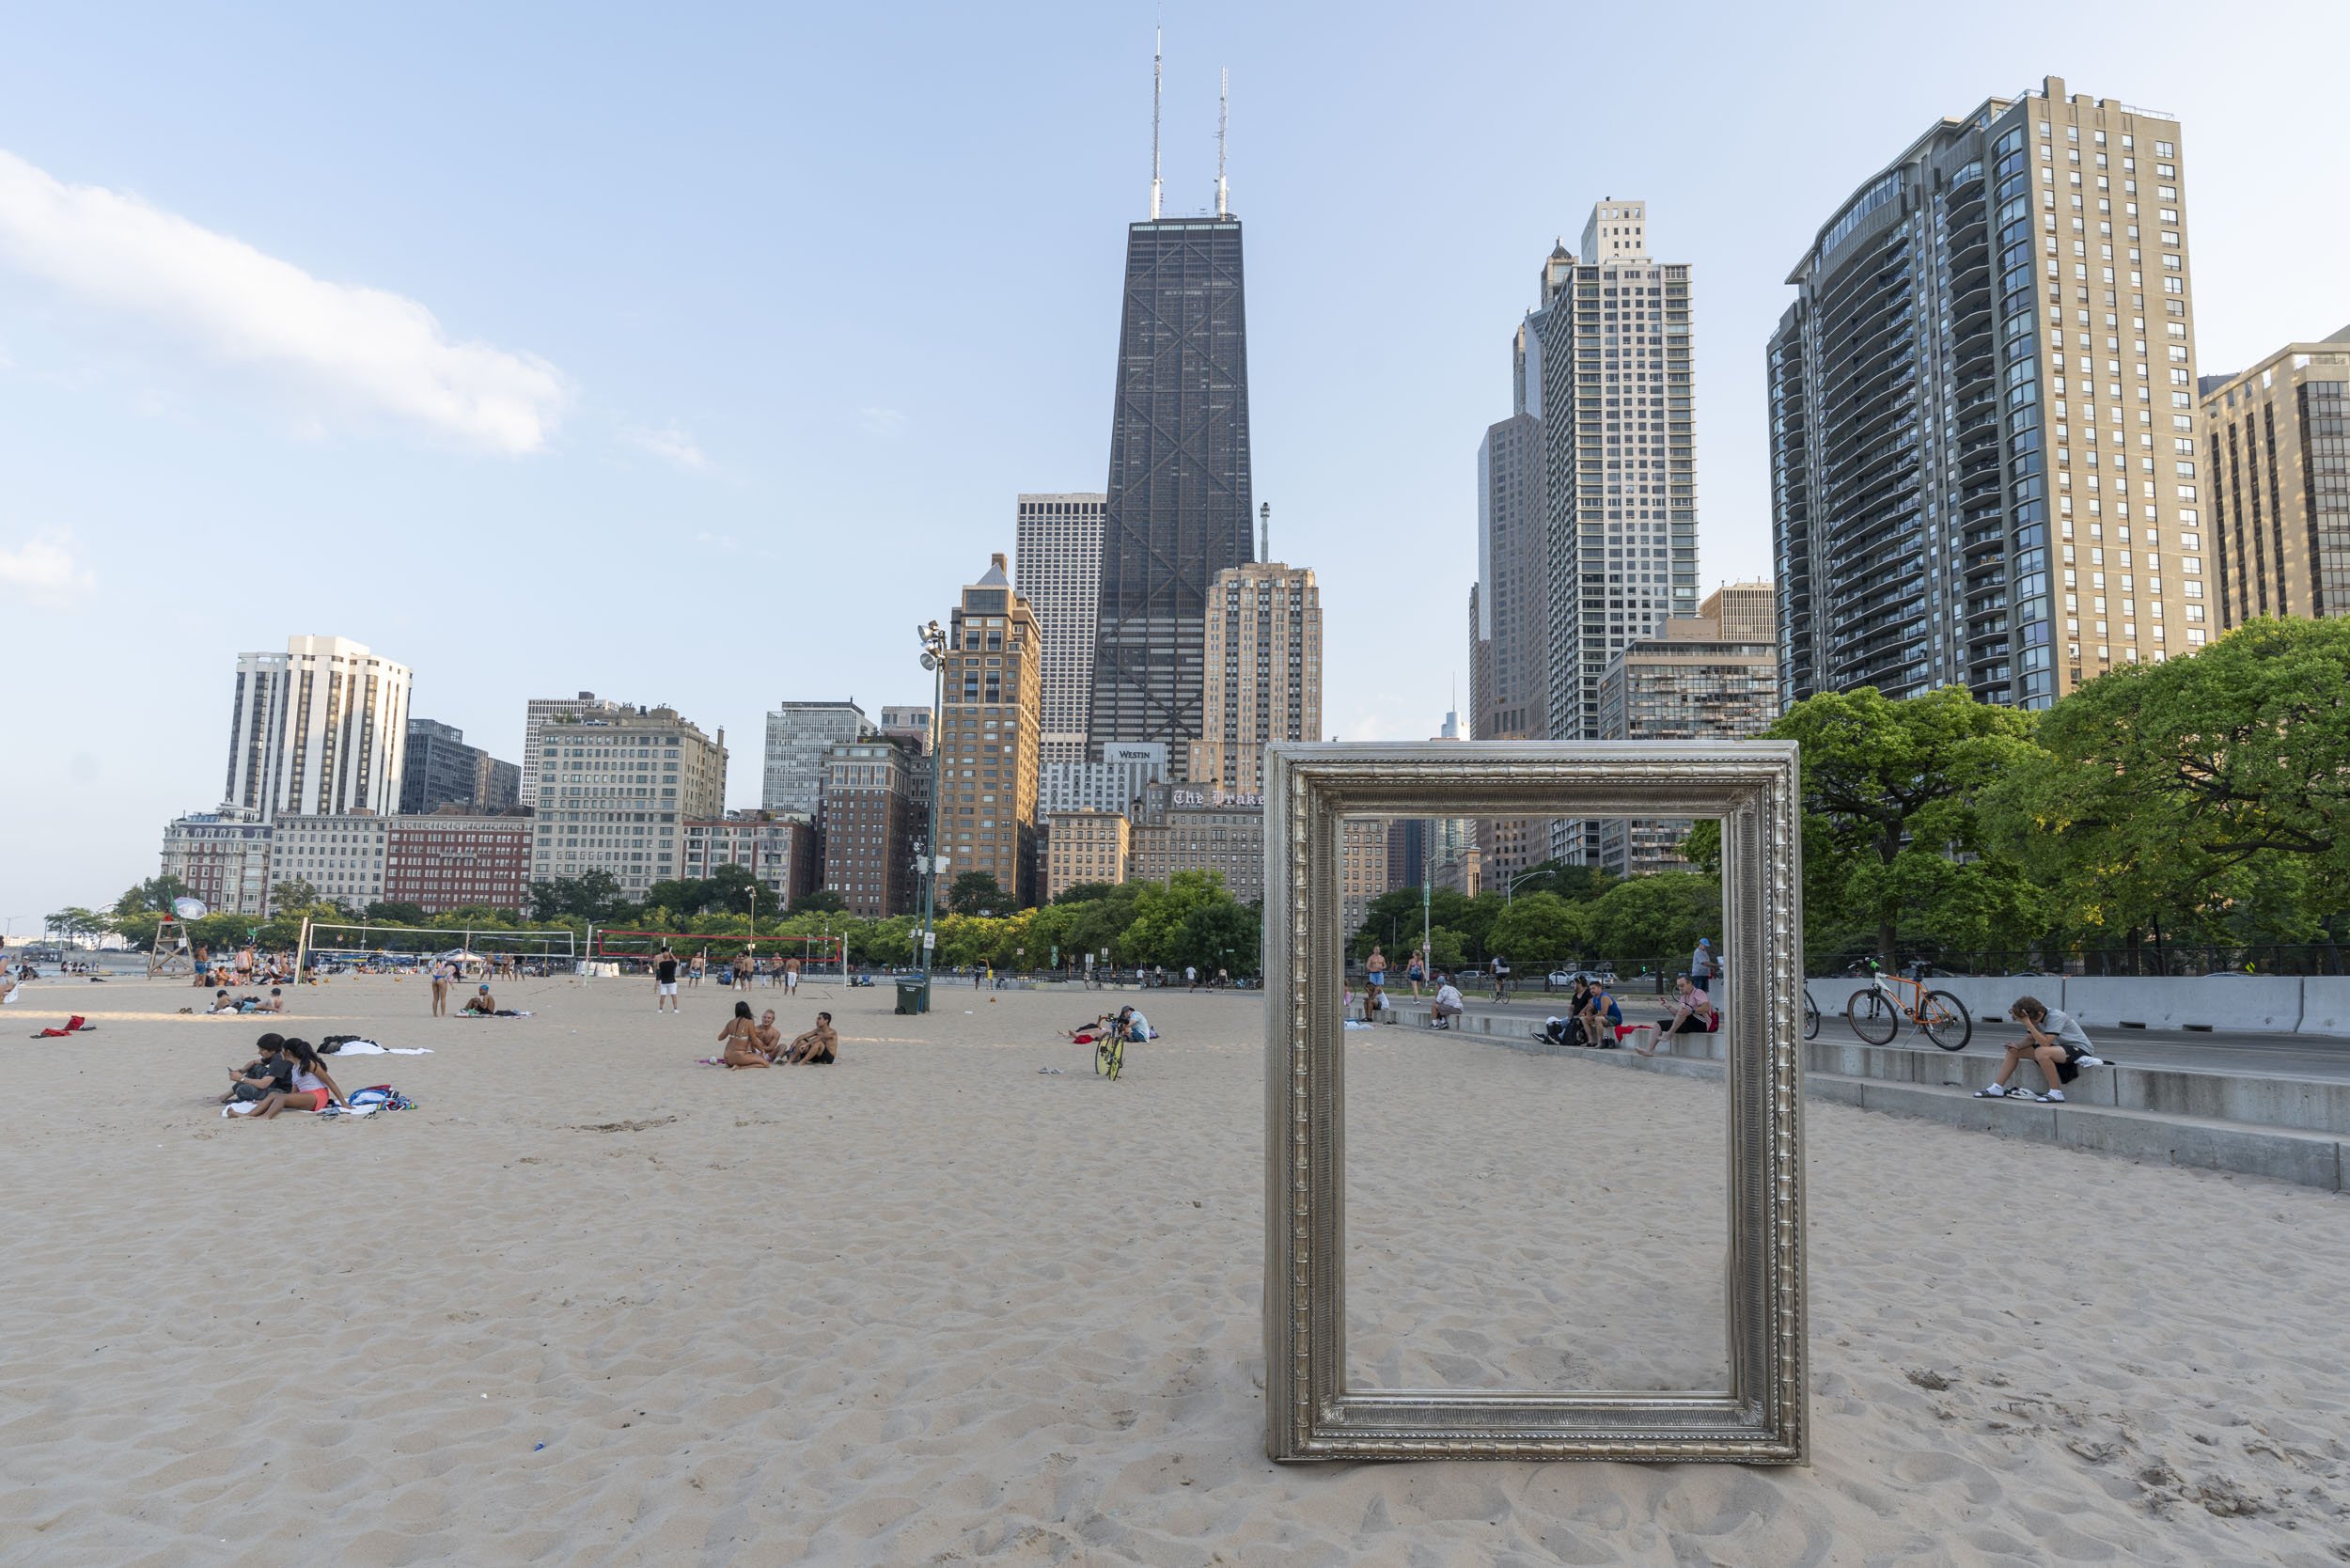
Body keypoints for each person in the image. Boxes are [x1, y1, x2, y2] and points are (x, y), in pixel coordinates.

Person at [1978, 996, 2102, 1103]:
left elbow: (2046, 1043)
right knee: (2013, 1052)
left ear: (2040, 1014)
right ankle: (1997, 1088)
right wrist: (2017, 1046)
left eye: (2030, 1021)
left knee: (2041, 1052)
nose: (2028, 1023)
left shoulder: (2056, 1016)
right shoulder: (2034, 1017)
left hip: (2079, 1049)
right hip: (2057, 1048)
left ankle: (2056, 1092)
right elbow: (2031, 1039)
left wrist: (2029, 1024)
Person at [237, 1037, 348, 1119]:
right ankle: (247, 1115)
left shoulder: (309, 1064)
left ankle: (265, 1117)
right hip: (307, 1095)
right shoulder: (295, 1067)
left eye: (282, 1050)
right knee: (273, 1095)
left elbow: (330, 1082)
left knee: (281, 1097)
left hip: (318, 1096)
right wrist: (267, 1102)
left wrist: (343, 1103)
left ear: (288, 1052)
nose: (281, 1053)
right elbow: (293, 1092)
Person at [1639, 974, 1717, 1057]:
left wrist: (1692, 1011)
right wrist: (1668, 1006)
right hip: (1689, 1023)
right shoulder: (1683, 998)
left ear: (1690, 983)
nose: (1680, 988)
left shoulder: (1698, 992)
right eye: (1678, 986)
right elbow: (1678, 1016)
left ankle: (1669, 1034)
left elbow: (1705, 1007)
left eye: (1682, 986)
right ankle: (1649, 1050)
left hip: (1703, 1024)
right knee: (1658, 1024)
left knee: (1683, 1007)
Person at [220, 1033, 290, 1104]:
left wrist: (241, 1078)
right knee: (256, 1068)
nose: (259, 1052)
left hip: (285, 1092)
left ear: (273, 1050)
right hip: (278, 1082)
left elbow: (263, 1084)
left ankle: (249, 1101)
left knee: (242, 1090)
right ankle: (224, 1096)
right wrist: (242, 1070)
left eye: (262, 1050)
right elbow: (253, 1062)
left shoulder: (278, 1061)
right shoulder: (277, 1054)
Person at [716, 1000, 769, 1068]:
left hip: (727, 1057)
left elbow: (720, 1038)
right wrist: (762, 1050)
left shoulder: (730, 1022)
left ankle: (734, 1064)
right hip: (738, 1056)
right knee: (766, 1064)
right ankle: (740, 1067)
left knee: (751, 1056)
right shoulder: (749, 1022)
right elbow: (754, 1041)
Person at [1578, 980, 1623, 1048]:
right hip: (1605, 1018)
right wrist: (1589, 1014)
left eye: (1593, 988)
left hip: (1615, 1019)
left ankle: (1600, 1043)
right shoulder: (1595, 998)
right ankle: (1591, 1041)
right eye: (1590, 989)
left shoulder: (1604, 997)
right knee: (1583, 1019)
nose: (1591, 990)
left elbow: (1603, 1012)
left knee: (1598, 1019)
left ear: (1600, 988)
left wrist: (1592, 1017)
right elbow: (1589, 1010)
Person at [653, 948, 681, 1014]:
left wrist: (665, 955)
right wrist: (671, 954)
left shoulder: (661, 964)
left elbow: (660, 962)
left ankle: (660, 1009)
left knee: (663, 996)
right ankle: (675, 1009)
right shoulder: (672, 963)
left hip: (664, 982)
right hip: (672, 981)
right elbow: (676, 961)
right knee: (674, 995)